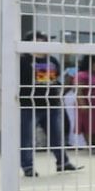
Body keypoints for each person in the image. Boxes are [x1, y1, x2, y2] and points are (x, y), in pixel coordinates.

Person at [19, 32, 82, 176]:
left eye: (45, 42)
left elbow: (53, 81)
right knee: (26, 139)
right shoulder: (22, 61)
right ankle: (28, 167)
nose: (43, 45)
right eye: (39, 42)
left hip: (52, 104)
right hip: (29, 105)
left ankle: (63, 163)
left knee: (57, 136)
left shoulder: (52, 60)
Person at [75, 56, 95, 153]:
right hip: (87, 103)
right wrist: (82, 104)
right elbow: (79, 91)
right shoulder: (81, 75)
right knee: (88, 125)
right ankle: (90, 145)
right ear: (92, 63)